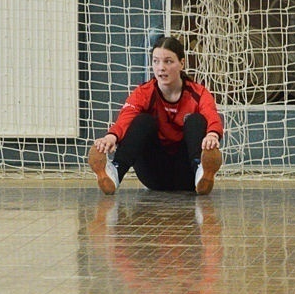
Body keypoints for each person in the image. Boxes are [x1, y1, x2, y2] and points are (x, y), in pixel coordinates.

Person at [89, 36, 224, 195]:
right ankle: (115, 171)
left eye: (168, 61)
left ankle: (201, 170)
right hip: (154, 174)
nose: (161, 68)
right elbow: (125, 118)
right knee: (142, 121)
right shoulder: (144, 92)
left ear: (182, 63)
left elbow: (212, 115)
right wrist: (111, 137)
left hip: (188, 175)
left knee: (196, 120)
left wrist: (212, 135)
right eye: (156, 61)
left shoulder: (198, 93)